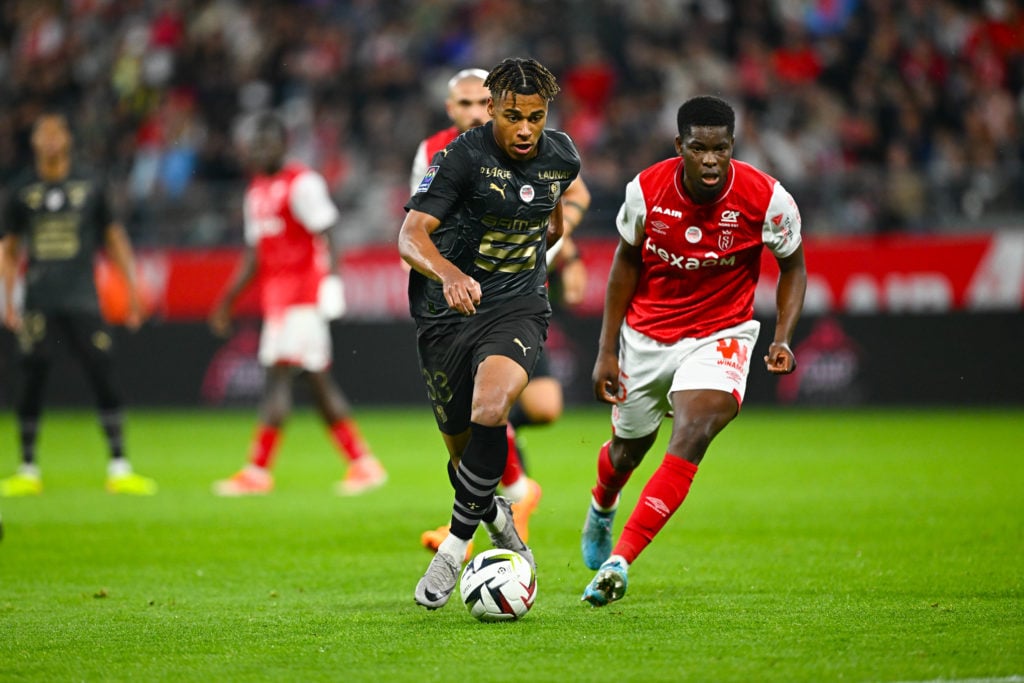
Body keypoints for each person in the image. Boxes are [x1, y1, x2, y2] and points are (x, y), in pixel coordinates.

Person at [579, 95, 807, 606]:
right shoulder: (645, 191)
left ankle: (621, 560)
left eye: (721, 149)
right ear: (680, 145)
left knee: (694, 431)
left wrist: (782, 337)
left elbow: (793, 265)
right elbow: (624, 263)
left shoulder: (767, 199)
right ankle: (602, 504)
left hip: (721, 333)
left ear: (732, 147)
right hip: (646, 336)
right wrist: (607, 350)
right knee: (626, 452)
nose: (710, 159)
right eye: (699, 148)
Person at [399, 57, 581, 610]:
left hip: (517, 306)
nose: (525, 129)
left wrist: (558, 254)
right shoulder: (459, 157)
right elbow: (409, 236)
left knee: (492, 404)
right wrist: (450, 274)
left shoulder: (562, 156)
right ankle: (497, 514)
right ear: (491, 113)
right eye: (511, 116)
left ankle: (454, 548)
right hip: (445, 312)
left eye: (535, 116)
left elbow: (553, 216)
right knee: (463, 457)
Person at [209, 112, 387, 497]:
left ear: (283, 145)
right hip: (278, 301)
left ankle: (258, 471)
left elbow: (328, 231)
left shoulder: (302, 183)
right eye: (255, 145)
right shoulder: (255, 190)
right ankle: (363, 463)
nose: (260, 151)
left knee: (279, 375)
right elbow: (255, 255)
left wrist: (333, 282)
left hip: (304, 296)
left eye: (267, 143)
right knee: (315, 382)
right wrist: (227, 301)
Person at [0, 112, 157, 497]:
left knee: (102, 371)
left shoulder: (90, 184)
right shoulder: (21, 191)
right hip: (39, 298)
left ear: (68, 139)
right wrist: (8, 299)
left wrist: (133, 289)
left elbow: (114, 238)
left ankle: (120, 466)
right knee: (32, 376)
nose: (51, 140)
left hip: (83, 298)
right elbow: (9, 249)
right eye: (43, 133)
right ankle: (28, 468)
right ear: (34, 141)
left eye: (57, 132)